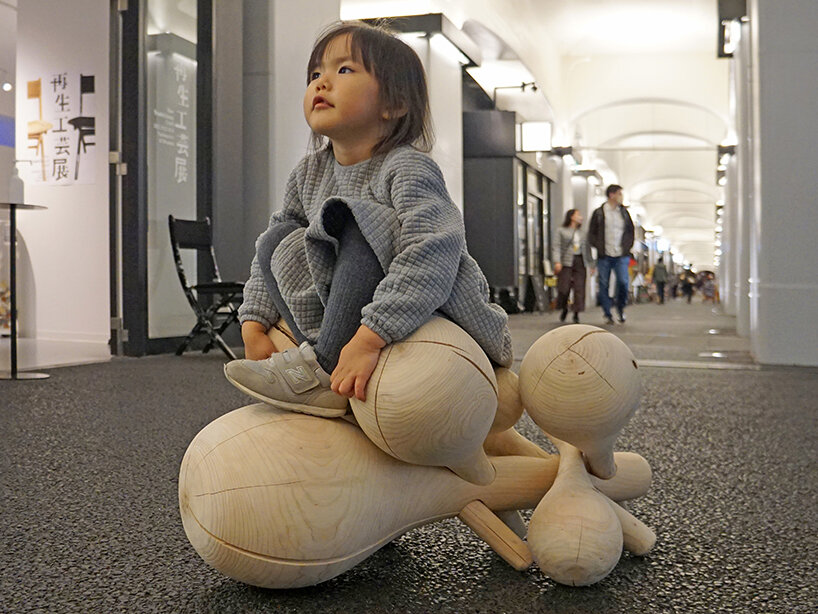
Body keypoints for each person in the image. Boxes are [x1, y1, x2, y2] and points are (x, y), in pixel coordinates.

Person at [223, 21, 513, 418]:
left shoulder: (407, 168)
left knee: (358, 219)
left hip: (430, 313)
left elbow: (435, 250)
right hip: (341, 314)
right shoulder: (308, 173)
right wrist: (253, 323)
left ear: (394, 105)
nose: (322, 83)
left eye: (343, 70)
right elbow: (267, 253)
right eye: (315, 74)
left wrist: (370, 339)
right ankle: (322, 356)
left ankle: (323, 372)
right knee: (278, 236)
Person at [587, 184, 635, 325]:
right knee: (603, 284)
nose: (622, 196)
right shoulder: (599, 212)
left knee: (623, 282)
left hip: (621, 255)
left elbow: (630, 231)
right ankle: (607, 313)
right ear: (611, 195)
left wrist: (627, 246)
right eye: (620, 193)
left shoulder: (624, 213)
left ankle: (620, 308)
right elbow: (592, 233)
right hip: (604, 255)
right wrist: (598, 246)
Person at [552, 209, 594, 323]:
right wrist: (557, 261)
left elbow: (587, 249)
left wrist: (591, 264)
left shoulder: (583, 233)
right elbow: (557, 246)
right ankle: (564, 307)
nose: (581, 217)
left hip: (580, 261)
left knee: (579, 287)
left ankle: (576, 313)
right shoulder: (561, 231)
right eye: (578, 215)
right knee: (564, 288)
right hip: (566, 261)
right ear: (571, 217)